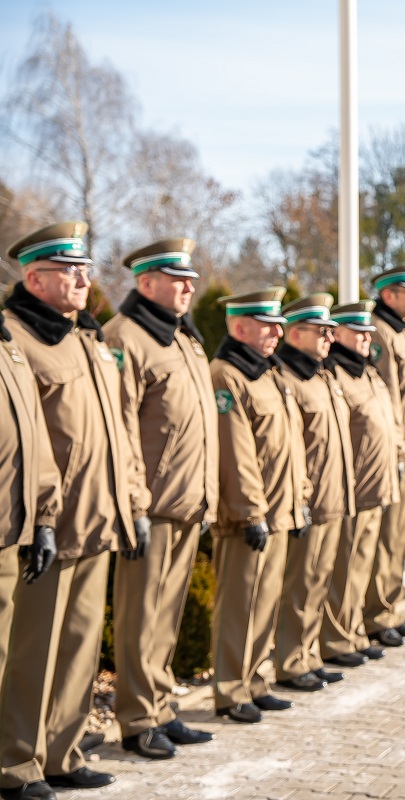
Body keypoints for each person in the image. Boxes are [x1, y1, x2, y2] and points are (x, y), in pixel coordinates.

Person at [1, 222, 149, 799]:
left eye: (85, 269)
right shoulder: (18, 338)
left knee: (81, 647)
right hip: (50, 522)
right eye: (70, 270)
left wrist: (131, 503)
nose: (85, 279)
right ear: (35, 278)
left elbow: (120, 431)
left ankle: (63, 753)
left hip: (98, 517)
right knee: (34, 652)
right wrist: (41, 516)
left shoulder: (87, 339)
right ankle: (18, 763)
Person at [103, 238, 218, 760]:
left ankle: (161, 707)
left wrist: (208, 494)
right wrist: (134, 501)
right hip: (150, 503)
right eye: (178, 279)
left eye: (190, 279)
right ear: (146, 283)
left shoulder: (183, 339)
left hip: (187, 499)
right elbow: (122, 428)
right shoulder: (125, 338)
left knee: (166, 616)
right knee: (140, 617)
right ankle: (135, 718)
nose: (189, 287)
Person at [209, 288, 310, 724]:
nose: (276, 334)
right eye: (267, 326)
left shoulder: (269, 373)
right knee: (239, 606)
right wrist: (251, 512)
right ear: (239, 327)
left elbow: (290, 443)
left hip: (279, 510)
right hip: (249, 516)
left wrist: (299, 497)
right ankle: (230, 690)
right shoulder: (227, 375)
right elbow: (236, 451)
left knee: (265, 602)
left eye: (277, 326)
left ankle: (253, 681)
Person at [274, 294, 361, 686]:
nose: (330, 337)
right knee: (300, 585)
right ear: (296, 334)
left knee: (318, 582)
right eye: (321, 331)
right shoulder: (288, 379)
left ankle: (308, 654)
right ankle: (292, 660)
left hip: (334, 496)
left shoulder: (322, 376)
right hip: (309, 500)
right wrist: (303, 497)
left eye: (330, 331)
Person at [0, 306, 62, 793]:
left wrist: (43, 517)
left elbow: (34, 437)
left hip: (11, 530)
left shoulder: (9, 346)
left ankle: (17, 766)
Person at [322, 301, 402, 653]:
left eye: (369, 333)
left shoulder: (367, 372)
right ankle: (339, 637)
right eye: (359, 333)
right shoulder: (336, 374)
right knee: (347, 567)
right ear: (338, 334)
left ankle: (355, 631)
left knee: (363, 564)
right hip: (355, 486)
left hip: (377, 483)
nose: (368, 339)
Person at [364, 264, 405, 643]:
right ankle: (378, 614)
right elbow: (388, 398)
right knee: (387, 539)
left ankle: (390, 606)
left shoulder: (403, 333)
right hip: (397, 453)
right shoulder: (380, 333)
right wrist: (401, 451)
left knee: (399, 537)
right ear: (388, 295)